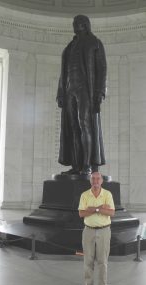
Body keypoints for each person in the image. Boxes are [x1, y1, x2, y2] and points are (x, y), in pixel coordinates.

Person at [56, 15, 107, 175]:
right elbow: (63, 73)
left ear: (85, 25)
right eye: (74, 23)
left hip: (86, 88)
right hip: (70, 88)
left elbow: (102, 69)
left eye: (78, 23)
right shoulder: (69, 47)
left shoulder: (94, 43)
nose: (75, 25)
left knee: (85, 125)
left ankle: (87, 165)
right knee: (73, 128)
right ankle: (77, 165)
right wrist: (60, 93)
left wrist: (99, 92)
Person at [78, 172, 115, 285]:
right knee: (88, 260)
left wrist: (92, 209)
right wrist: (99, 207)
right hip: (88, 231)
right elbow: (81, 214)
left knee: (102, 261)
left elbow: (111, 213)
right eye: (93, 178)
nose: (95, 180)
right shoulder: (84, 195)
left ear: (101, 181)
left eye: (98, 178)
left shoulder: (107, 194)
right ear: (90, 181)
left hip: (104, 231)